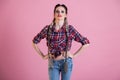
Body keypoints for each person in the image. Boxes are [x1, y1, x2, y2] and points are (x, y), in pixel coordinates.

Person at [32, 4, 90, 80]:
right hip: (53, 63)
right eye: (57, 11)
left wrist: (74, 55)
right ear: (54, 14)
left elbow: (86, 43)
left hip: (66, 62)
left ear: (65, 15)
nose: (59, 13)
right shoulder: (48, 29)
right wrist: (42, 56)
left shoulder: (70, 29)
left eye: (62, 12)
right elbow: (34, 42)